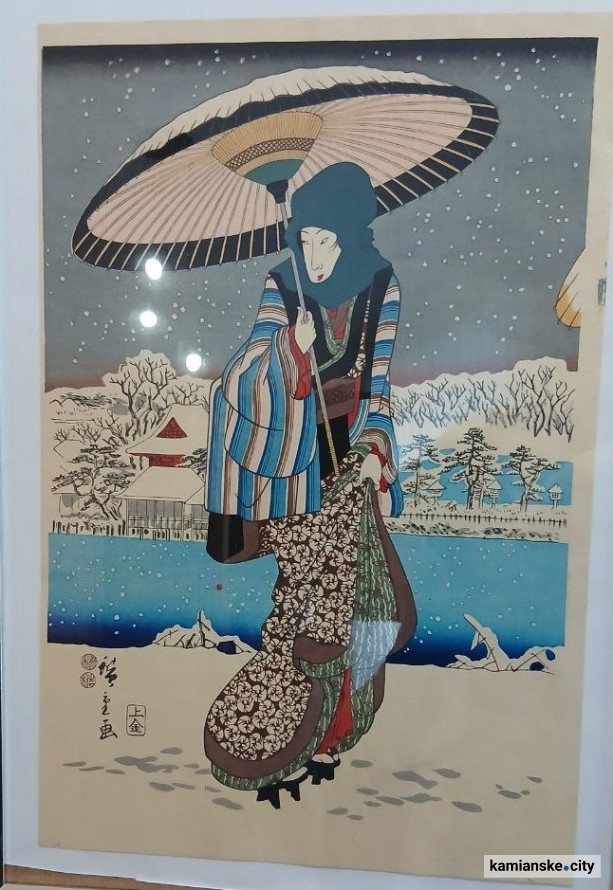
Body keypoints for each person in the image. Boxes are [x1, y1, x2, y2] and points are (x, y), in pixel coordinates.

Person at [204, 162, 416, 808]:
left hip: (349, 460)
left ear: (351, 234)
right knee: (297, 606)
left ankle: (330, 735)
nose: (315, 256)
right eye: (306, 240)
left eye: (327, 241)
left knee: (350, 607)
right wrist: (287, 352)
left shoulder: (381, 284)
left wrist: (375, 451)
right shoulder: (282, 284)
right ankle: (277, 738)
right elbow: (243, 375)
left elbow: (377, 385)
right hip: (292, 461)